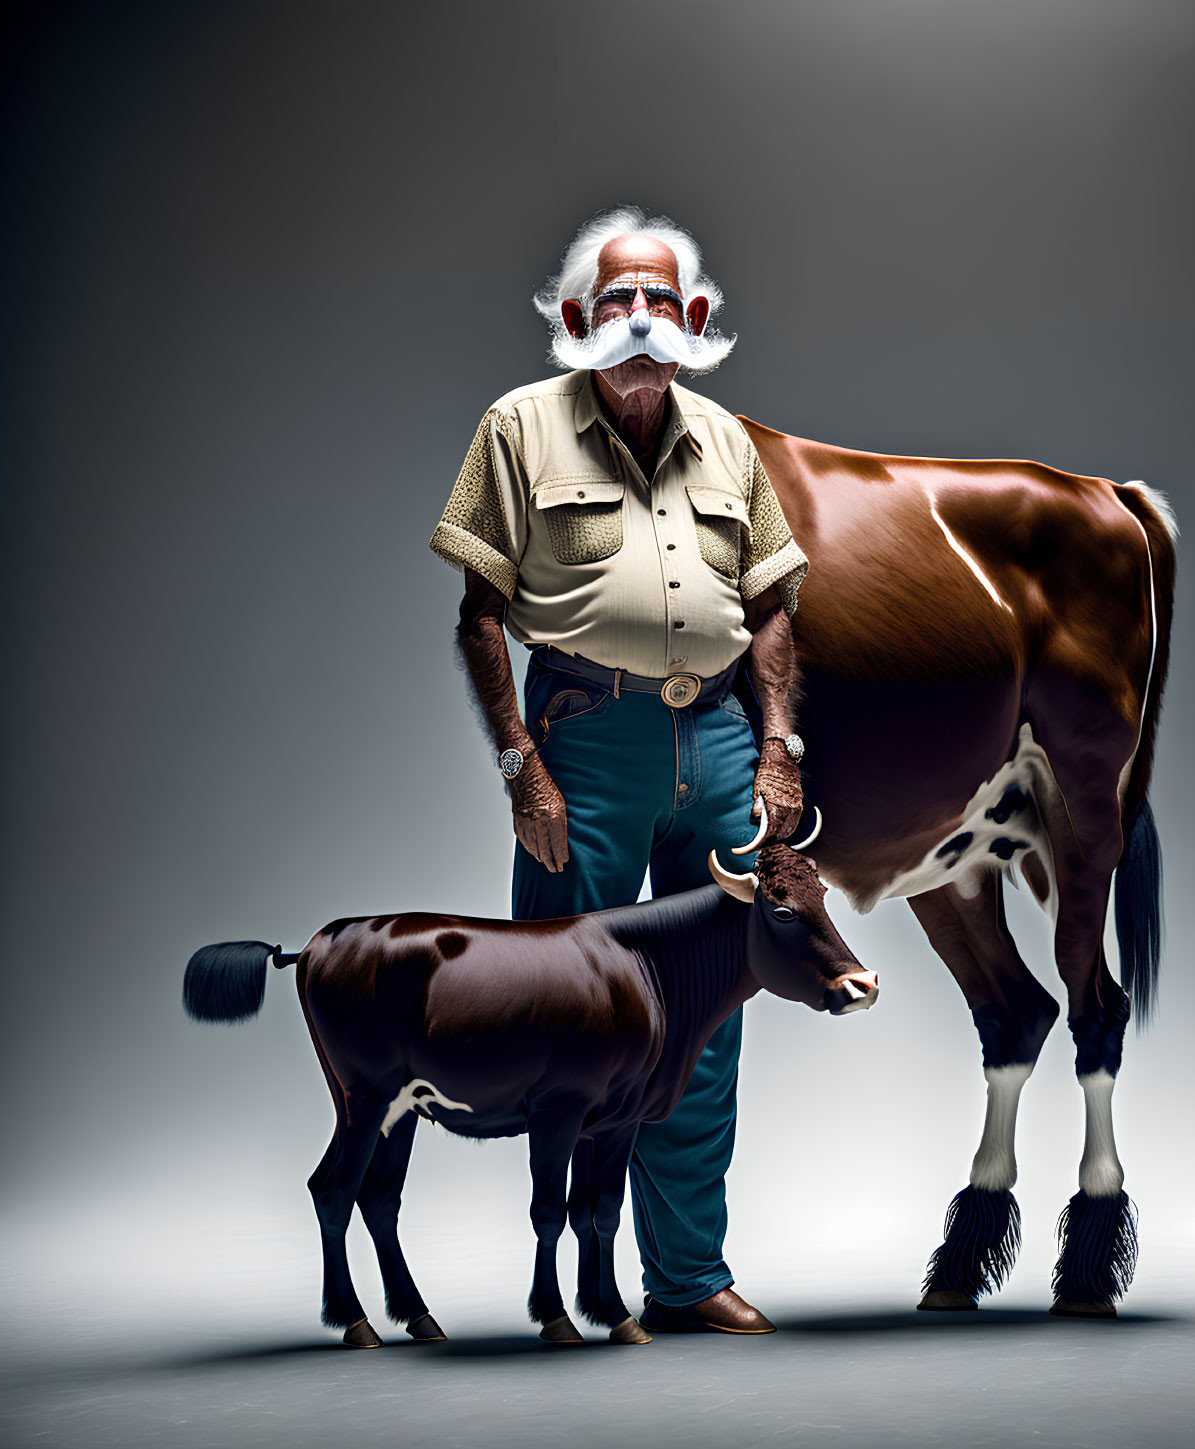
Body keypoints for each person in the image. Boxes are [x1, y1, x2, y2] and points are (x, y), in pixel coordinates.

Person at [428, 207, 809, 1334]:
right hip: (584, 747)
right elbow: (477, 617)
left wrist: (778, 748)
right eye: (617, 299)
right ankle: (580, 1280)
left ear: (694, 319)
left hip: (723, 740)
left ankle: (687, 1278)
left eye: (660, 300)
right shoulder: (517, 429)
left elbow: (776, 608)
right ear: (576, 318)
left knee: (702, 1018)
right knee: (571, 1017)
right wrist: (520, 770)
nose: (638, 320)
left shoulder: (727, 439)